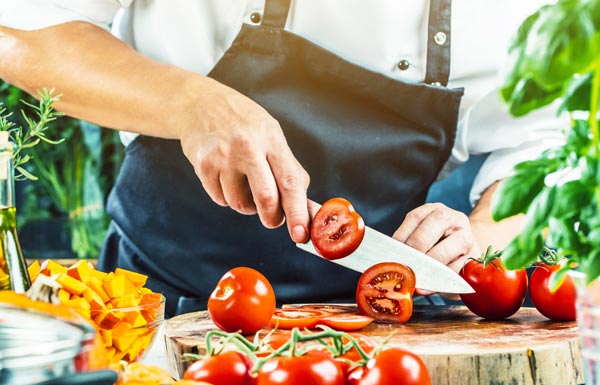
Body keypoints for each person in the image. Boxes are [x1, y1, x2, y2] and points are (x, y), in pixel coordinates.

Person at [0, 0, 566, 317]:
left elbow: (546, 148)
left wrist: (483, 233)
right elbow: (22, 35)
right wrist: (188, 101)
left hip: (380, 332)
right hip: (159, 311)